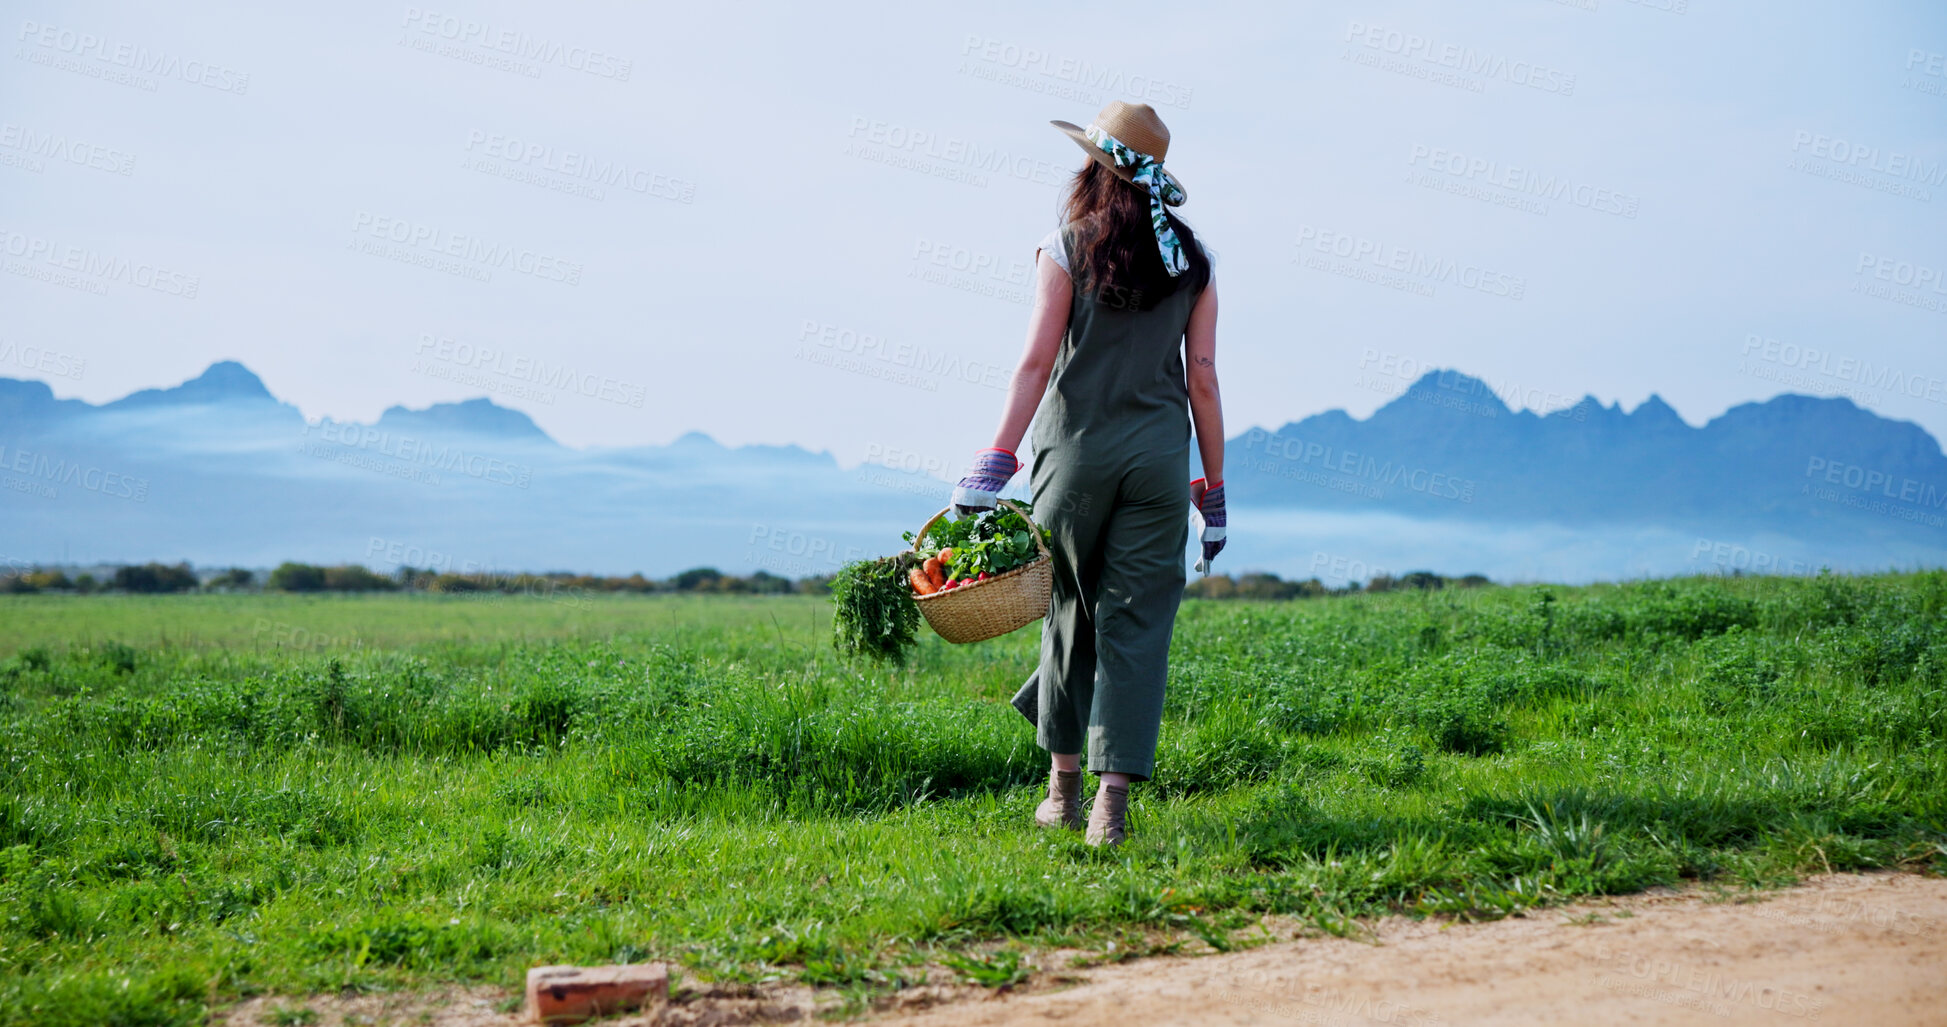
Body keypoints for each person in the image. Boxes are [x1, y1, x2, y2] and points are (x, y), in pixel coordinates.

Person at [949, 101, 1226, 847]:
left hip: (1073, 454)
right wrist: (1216, 489)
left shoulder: (1066, 246)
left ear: (1094, 170)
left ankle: (1061, 792)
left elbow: (1036, 363)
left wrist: (993, 462)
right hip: (1160, 461)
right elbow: (1201, 377)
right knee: (1136, 624)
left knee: (1071, 613)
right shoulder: (1191, 261)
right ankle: (1112, 809)